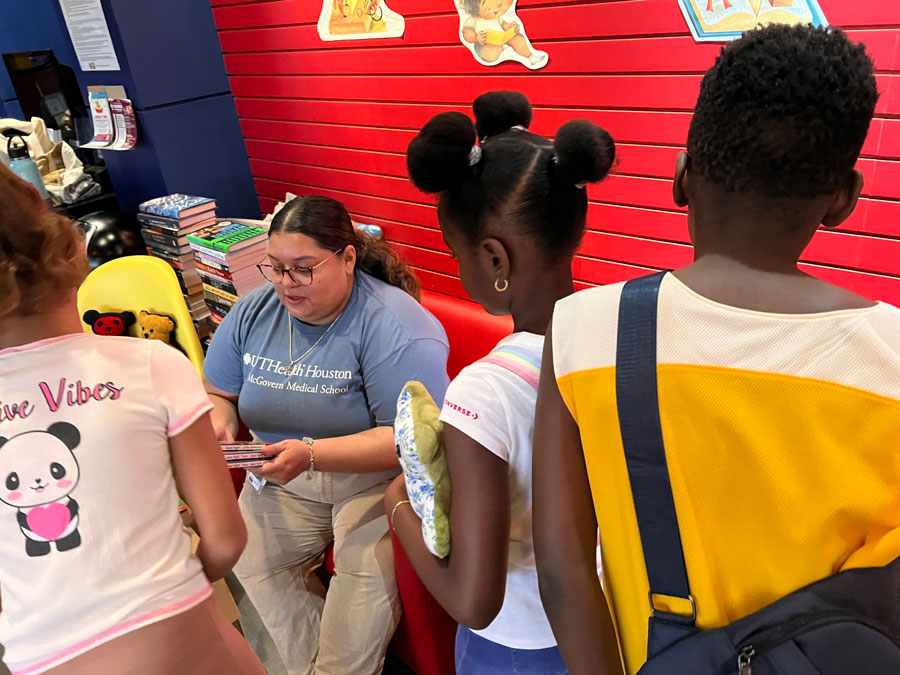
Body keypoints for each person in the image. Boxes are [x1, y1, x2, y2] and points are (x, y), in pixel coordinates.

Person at [532, 24, 900, 675]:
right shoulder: (891, 354)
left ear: (681, 177)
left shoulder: (583, 329)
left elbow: (562, 565)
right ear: (843, 199)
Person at [0, 163, 262, 674]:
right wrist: (178, 586)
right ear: (73, 249)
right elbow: (226, 539)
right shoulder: (152, 365)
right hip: (176, 632)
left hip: (40, 655)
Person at [387, 91, 615, 674]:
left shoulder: (483, 392)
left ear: (493, 260)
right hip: (607, 626)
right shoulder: (617, 337)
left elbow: (474, 600)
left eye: (453, 250)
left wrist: (396, 509)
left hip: (518, 647)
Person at [203, 194, 450, 675]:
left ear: (348, 258)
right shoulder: (255, 311)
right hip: (281, 475)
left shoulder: (396, 326)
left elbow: (410, 440)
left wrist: (313, 454)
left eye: (303, 268)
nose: (284, 284)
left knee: (362, 594)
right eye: (274, 267)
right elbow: (219, 391)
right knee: (251, 567)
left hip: (378, 483)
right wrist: (220, 420)